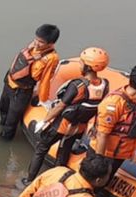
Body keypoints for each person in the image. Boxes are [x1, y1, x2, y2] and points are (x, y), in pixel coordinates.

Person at [24, 47, 111, 183]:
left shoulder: (78, 85)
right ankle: (57, 182)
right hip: (79, 127)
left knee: (41, 149)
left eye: (81, 62)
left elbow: (61, 105)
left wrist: (45, 121)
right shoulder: (105, 85)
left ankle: (29, 180)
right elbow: (100, 108)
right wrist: (95, 125)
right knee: (64, 154)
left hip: (62, 124)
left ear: (87, 66)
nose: (80, 64)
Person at [87, 64, 136, 181]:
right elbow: (102, 134)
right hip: (105, 153)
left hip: (121, 153)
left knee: (106, 181)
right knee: (93, 181)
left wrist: (135, 150)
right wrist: (99, 159)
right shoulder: (114, 103)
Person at [0, 24, 60, 140]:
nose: (36, 43)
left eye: (41, 42)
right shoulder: (33, 46)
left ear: (51, 43)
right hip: (9, 83)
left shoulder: (51, 58)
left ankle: (4, 142)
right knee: (3, 110)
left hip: (21, 91)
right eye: (36, 39)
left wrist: (44, 99)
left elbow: (45, 80)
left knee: (11, 121)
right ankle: (0, 128)